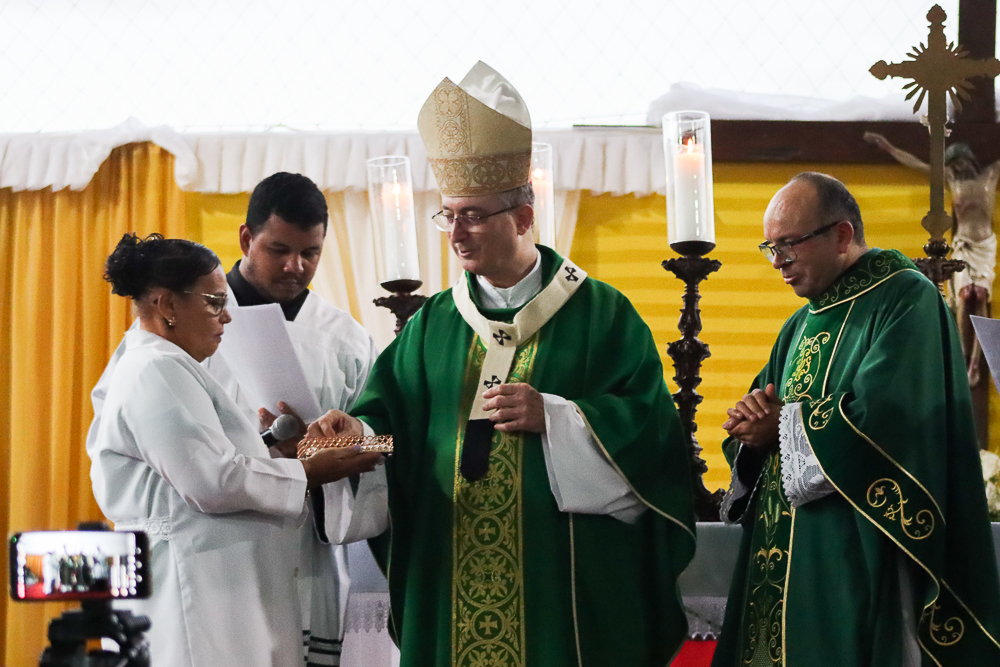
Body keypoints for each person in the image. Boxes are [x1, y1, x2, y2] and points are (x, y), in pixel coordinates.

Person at [307, 61, 696, 667]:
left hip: (557, 585)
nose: (456, 233)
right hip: (450, 567)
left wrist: (557, 417)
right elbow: (391, 431)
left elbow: (651, 435)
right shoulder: (434, 323)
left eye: (472, 215)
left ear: (523, 217)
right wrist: (354, 434)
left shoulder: (601, 315)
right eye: (448, 214)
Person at [712, 173, 1000, 666]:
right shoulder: (801, 323)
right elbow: (763, 413)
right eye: (771, 247)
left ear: (842, 235)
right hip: (783, 552)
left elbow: (888, 420)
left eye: (789, 244)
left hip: (850, 553)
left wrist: (780, 426)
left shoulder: (904, 298)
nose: (778, 261)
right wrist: (748, 427)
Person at [87, 233, 382, 667]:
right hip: (189, 588)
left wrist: (282, 453)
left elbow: (211, 464)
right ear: (167, 305)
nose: (227, 316)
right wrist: (306, 471)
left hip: (220, 583)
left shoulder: (172, 365)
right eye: (214, 302)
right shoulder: (154, 367)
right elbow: (213, 480)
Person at [208, 172, 379, 666]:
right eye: (279, 249)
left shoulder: (345, 339)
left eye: (311, 253)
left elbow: (386, 443)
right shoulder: (190, 324)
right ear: (246, 238)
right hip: (215, 556)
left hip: (306, 560)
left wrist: (334, 447)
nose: (295, 266)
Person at [864, 131, 1000, 385]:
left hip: (984, 245)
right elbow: (918, 165)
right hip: (963, 244)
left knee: (980, 296)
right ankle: (962, 355)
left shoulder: (990, 175)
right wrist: (889, 147)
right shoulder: (951, 179)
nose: (957, 167)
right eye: (952, 164)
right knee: (964, 296)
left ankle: (976, 363)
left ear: (969, 159)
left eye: (959, 162)